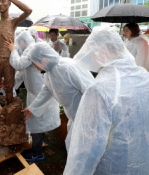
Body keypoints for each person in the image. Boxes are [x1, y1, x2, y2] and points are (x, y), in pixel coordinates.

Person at [64, 26, 149, 174]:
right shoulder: (144, 76)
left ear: (101, 51)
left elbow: (87, 148)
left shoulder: (100, 89)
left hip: (114, 166)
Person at [22, 42, 94, 151]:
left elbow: (91, 90)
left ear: (43, 60)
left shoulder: (68, 67)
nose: (34, 67)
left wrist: (93, 115)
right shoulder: (49, 73)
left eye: (34, 63)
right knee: (74, 147)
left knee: (87, 148)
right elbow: (46, 91)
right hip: (75, 116)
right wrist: (32, 109)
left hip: (88, 117)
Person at [5, 31, 60, 162]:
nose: (17, 46)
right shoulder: (29, 52)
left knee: (36, 124)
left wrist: (12, 51)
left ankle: (37, 153)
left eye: (18, 43)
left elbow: (18, 65)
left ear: (22, 42)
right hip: (36, 94)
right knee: (38, 123)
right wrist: (10, 85)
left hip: (39, 95)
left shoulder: (31, 50)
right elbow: (21, 73)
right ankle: (38, 145)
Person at [0, 0, 32, 105]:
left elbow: (28, 11)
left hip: (8, 59)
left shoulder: (13, 22)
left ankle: (9, 110)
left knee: (8, 86)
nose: (0, 4)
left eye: (3, 1)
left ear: (9, 4)